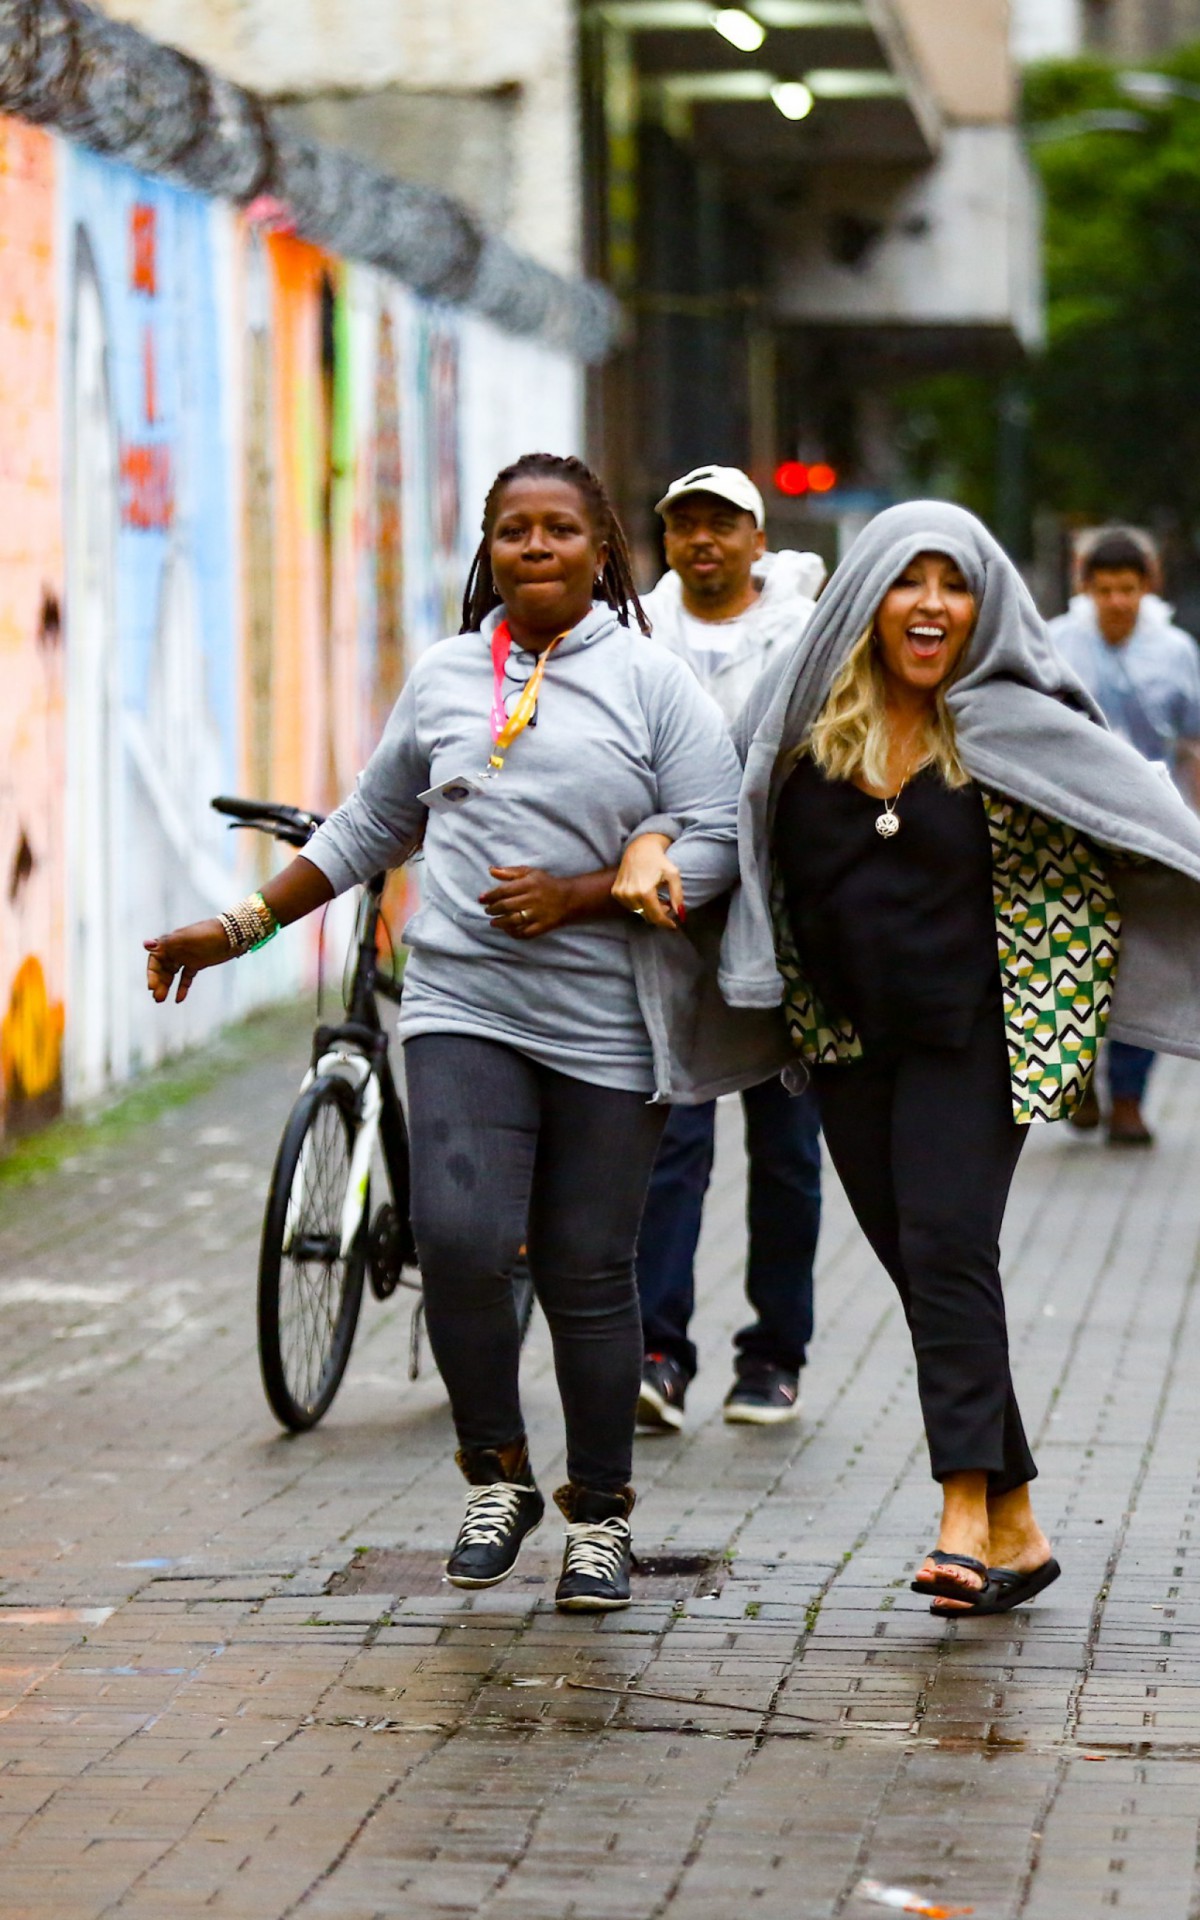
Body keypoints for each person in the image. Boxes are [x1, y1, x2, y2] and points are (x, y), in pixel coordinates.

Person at [143, 451, 790, 1616]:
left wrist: (586, 891)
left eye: (557, 531)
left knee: (593, 1273)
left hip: (609, 1022)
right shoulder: (446, 675)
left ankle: (600, 1517)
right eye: (511, 531)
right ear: (487, 551)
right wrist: (236, 927)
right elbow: (369, 824)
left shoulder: (652, 682)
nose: (533, 548)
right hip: (462, 1003)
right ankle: (496, 1476)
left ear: (604, 552)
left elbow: (716, 835)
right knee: (458, 1238)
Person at [708, 499, 1200, 1616]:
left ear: (985, 607)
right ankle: (1019, 1525)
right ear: (868, 598)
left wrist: (1061, 1030)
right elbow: (726, 832)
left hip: (977, 1045)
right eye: (908, 581)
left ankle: (962, 1517)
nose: (932, 605)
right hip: (844, 1046)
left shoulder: (1012, 728)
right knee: (936, 1273)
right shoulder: (799, 729)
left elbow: (1128, 851)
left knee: (944, 1246)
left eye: (955, 584)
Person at [634, 464, 825, 1428]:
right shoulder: (637, 637)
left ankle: (773, 1357)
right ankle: (657, 1352)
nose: (702, 540)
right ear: (665, 541)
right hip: (667, 926)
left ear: (757, 538)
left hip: (783, 929)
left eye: (722, 524)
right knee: (671, 1141)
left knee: (787, 1152)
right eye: (684, 525)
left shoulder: (804, 637)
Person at [1049, 528, 1200, 1145]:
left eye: (1128, 589)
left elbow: (1193, 738)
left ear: (1147, 588)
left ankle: (1131, 1098)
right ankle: (1078, 1080)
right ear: (1086, 587)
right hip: (1074, 817)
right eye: (1105, 589)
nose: (1117, 601)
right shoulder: (1056, 643)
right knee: (1072, 948)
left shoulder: (1175, 650)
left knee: (1147, 955)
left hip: (1152, 820)